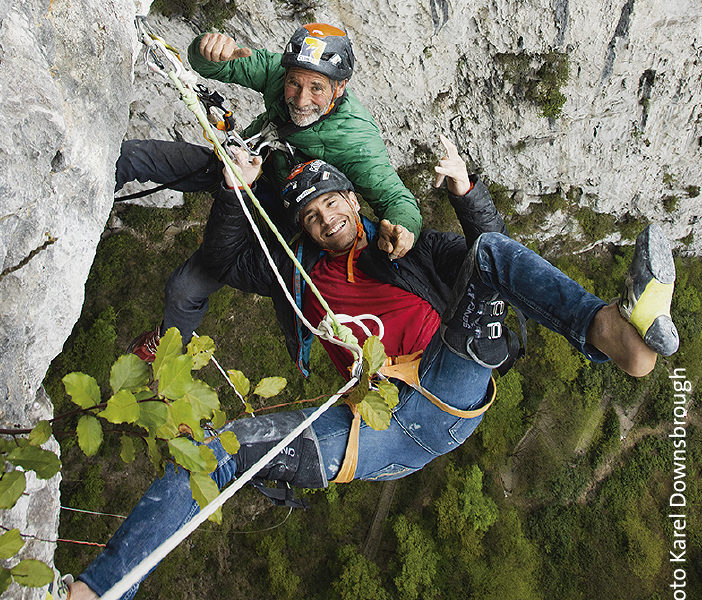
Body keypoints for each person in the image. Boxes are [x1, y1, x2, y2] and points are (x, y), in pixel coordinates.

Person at [49, 137, 678, 600]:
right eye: (313, 219)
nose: (327, 221)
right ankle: (99, 591)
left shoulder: (411, 246)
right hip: (373, 430)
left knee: (487, 256)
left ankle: (610, 332)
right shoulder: (298, 279)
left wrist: (466, 191)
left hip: (441, 385)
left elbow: (499, 256)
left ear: (353, 198)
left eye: (332, 205)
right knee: (221, 450)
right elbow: (220, 257)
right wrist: (232, 192)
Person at [120, 23, 422, 357]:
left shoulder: (355, 140)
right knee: (134, 156)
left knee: (183, 289)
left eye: (316, 88)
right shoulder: (280, 73)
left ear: (340, 87)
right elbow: (214, 65)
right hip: (246, 166)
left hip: (289, 220)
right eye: (295, 83)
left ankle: (167, 347)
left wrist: (403, 227)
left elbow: (395, 198)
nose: (301, 98)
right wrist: (208, 50)